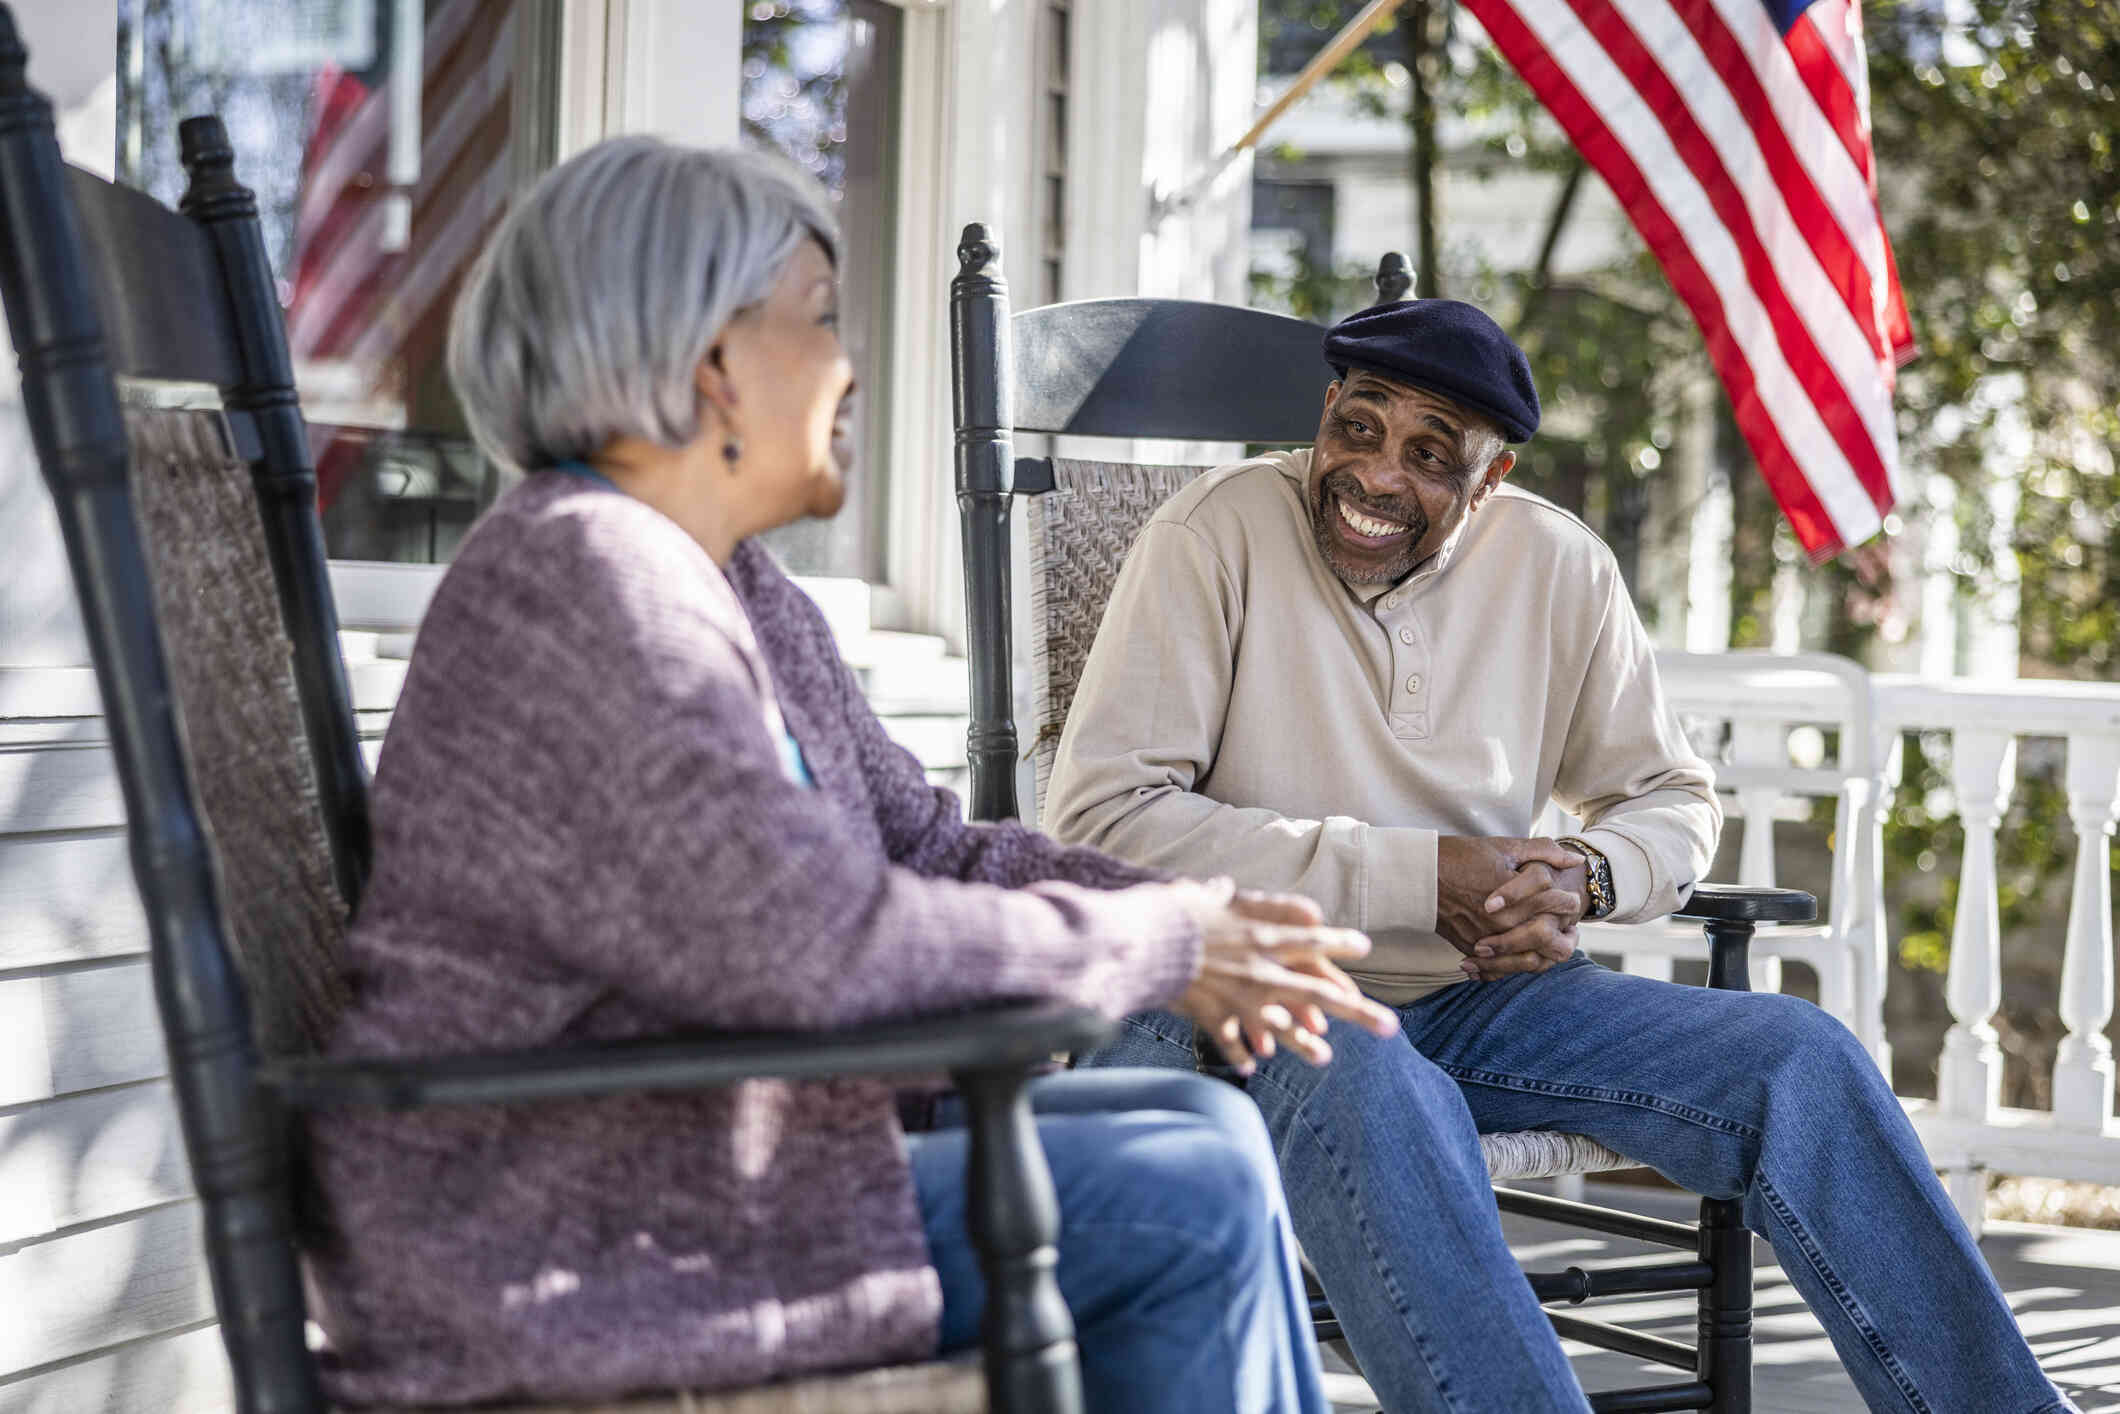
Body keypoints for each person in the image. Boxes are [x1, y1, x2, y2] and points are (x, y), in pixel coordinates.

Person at [300, 137, 1401, 1413]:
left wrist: (1213, 927)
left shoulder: (727, 583)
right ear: (708, 364)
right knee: (1187, 1200)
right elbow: (813, 943)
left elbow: (926, 846)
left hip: (682, 1158)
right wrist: (1158, 941)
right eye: (817, 320)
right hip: (554, 1227)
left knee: (1207, 1136)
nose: (848, 364)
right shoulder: (583, 584)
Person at [1048, 297, 2079, 1413]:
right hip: (1260, 992)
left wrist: (1583, 875)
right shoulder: (1212, 538)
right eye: (1356, 428)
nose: (1375, 475)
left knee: (1799, 1057)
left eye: (1428, 454)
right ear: (1323, 415)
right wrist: (1416, 874)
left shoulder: (1557, 566)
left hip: (1487, 1000)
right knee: (1384, 1084)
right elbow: (1103, 822)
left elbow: (1670, 797)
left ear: (1487, 481)